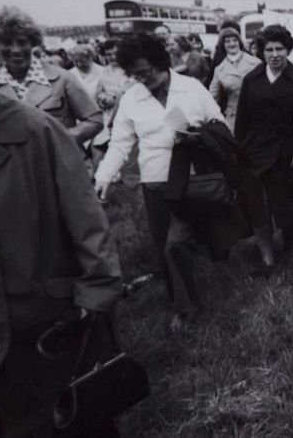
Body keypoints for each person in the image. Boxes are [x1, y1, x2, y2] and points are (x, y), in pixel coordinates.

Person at [0, 41, 122, 437]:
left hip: (44, 321)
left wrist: (96, 294)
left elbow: (86, 218)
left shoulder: (37, 129)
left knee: (70, 421)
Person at [94, 32, 226, 331]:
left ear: (161, 62)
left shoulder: (191, 88)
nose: (142, 79)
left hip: (193, 179)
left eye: (146, 72)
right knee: (167, 246)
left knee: (183, 241)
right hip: (155, 182)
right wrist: (103, 176)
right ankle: (183, 305)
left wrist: (199, 134)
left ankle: (204, 262)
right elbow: (119, 144)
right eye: (135, 75)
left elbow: (220, 124)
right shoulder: (131, 98)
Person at [234, 25, 293, 265]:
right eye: (269, 49)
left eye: (279, 49)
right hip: (257, 154)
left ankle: (288, 241)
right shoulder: (252, 80)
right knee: (258, 206)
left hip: (289, 154)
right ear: (261, 52)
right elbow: (242, 120)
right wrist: (239, 154)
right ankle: (267, 258)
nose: (274, 54)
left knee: (288, 206)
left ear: (288, 49)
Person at [0, 6, 103, 146]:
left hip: (60, 164)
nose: (15, 50)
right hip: (13, 165)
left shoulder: (62, 78)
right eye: (7, 43)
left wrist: (61, 140)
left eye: (22, 42)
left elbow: (95, 119)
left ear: (33, 43)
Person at [208, 27, 261, 130]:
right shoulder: (219, 70)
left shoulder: (255, 63)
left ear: (239, 42)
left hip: (256, 114)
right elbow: (212, 99)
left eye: (234, 40)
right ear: (222, 45)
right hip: (233, 118)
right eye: (227, 41)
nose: (232, 44)